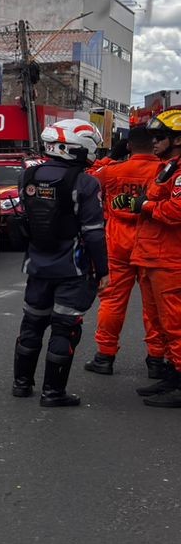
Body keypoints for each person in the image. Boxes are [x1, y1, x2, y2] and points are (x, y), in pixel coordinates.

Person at [12, 118, 108, 407]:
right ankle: (53, 393)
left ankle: (21, 384)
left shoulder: (27, 176)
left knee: (32, 323)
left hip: (37, 265)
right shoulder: (85, 182)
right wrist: (103, 271)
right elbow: (93, 233)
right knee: (65, 328)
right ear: (77, 147)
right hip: (72, 268)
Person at [84, 124, 165, 377]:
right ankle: (156, 359)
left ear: (128, 145)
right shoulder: (163, 172)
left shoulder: (113, 171)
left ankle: (105, 356)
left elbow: (86, 177)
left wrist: (111, 156)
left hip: (118, 243)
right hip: (151, 241)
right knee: (154, 306)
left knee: (112, 302)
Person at [132, 110, 181, 406]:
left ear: (177, 139)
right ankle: (173, 376)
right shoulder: (168, 168)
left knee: (175, 324)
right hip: (152, 257)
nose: (154, 142)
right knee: (160, 323)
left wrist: (147, 205)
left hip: (169, 260)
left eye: (159, 137)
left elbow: (176, 211)